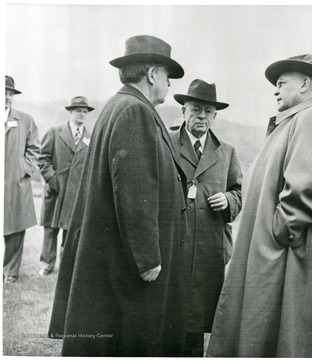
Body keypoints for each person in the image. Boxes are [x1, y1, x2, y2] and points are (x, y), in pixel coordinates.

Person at [48, 35, 189, 357]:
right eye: (168, 76)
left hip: (115, 258)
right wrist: (147, 258)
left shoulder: (120, 106)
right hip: (128, 266)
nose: (169, 85)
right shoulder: (134, 111)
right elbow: (135, 189)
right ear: (153, 74)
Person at [207, 54, 312, 357]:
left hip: (288, 261)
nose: (275, 90)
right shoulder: (297, 120)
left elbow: (304, 191)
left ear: (306, 83)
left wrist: (278, 235)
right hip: (277, 258)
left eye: (282, 83)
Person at [170, 79, 242, 356]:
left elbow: (238, 191)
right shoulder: (166, 141)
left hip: (209, 247)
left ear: (215, 116)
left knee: (197, 318)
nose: (202, 116)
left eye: (208, 111)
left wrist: (228, 200)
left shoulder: (226, 151)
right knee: (169, 312)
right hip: (174, 242)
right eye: (196, 109)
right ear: (183, 111)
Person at [38, 96, 94, 276]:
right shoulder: (55, 132)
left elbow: (93, 165)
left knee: (70, 230)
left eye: (85, 111)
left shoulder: (90, 137)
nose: (82, 114)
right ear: (70, 112)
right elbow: (43, 158)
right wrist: (51, 179)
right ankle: (47, 264)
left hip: (76, 193)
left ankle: (66, 266)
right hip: (55, 189)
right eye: (79, 110)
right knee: (50, 228)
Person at [4, 75, 40, 283]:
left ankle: (10, 272)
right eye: (4, 93)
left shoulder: (25, 120)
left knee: (15, 230)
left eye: (10, 94)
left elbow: (34, 149)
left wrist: (23, 169)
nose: (7, 97)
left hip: (16, 184)